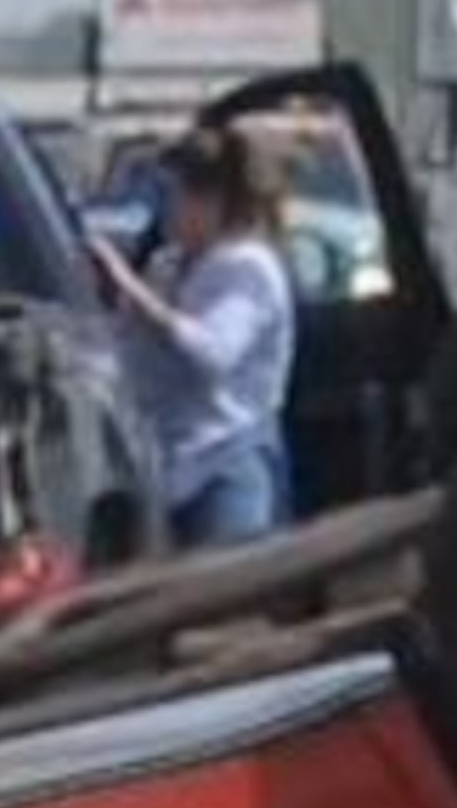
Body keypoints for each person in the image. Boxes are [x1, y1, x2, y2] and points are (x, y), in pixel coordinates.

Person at [89, 120, 300, 547]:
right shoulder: (169, 264)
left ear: (213, 202)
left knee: (228, 581)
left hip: (226, 466)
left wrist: (130, 287)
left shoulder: (247, 267)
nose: (168, 209)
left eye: (176, 195)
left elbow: (213, 352)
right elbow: (127, 347)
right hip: (168, 464)